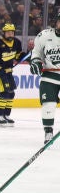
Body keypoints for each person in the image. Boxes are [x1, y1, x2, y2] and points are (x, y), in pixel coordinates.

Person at [30, 11, 60, 143]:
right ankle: (48, 131)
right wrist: (35, 62)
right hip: (49, 75)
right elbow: (36, 53)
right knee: (49, 104)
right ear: (55, 22)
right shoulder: (44, 36)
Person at [0, 22, 23, 127]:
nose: (10, 34)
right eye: (8, 32)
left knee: (11, 94)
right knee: (4, 94)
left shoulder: (17, 42)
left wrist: (27, 57)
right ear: (4, 33)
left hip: (8, 72)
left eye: (12, 32)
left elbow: (18, 55)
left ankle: (6, 115)